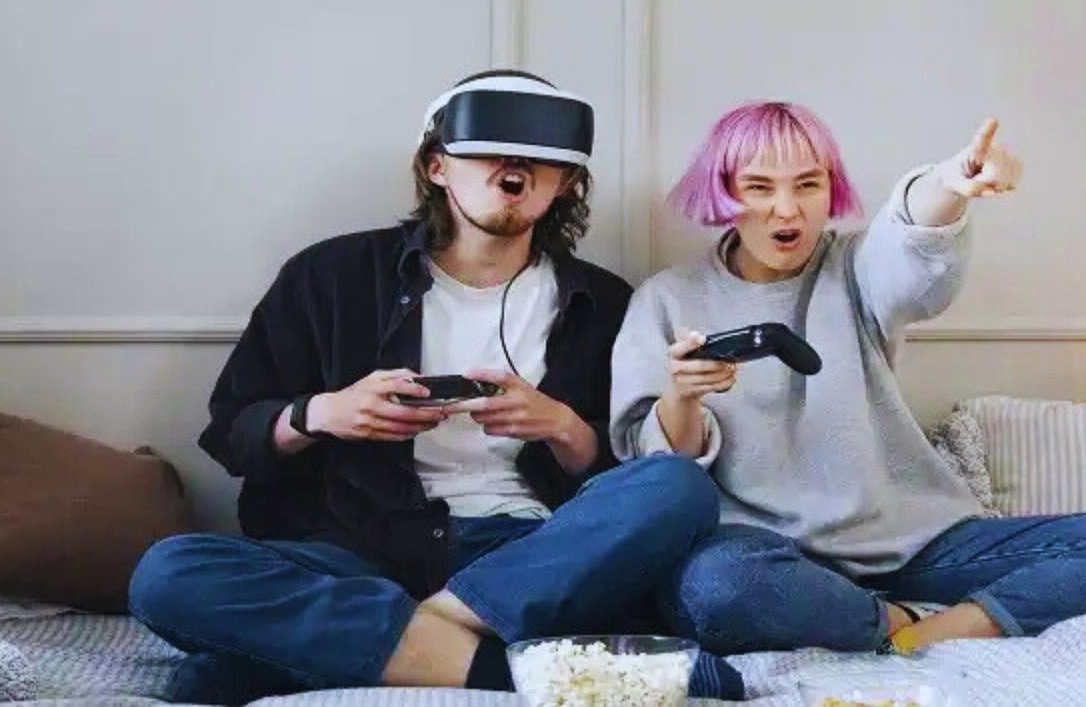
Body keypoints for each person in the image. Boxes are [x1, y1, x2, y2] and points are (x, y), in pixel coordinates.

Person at [129, 70, 736, 703]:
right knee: (168, 574)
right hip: (360, 552)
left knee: (678, 485)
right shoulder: (329, 275)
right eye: (489, 154)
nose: (513, 172)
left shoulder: (605, 302)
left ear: (567, 184)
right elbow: (232, 434)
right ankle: (512, 667)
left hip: (530, 555)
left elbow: (623, 477)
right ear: (437, 167)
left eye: (539, 161)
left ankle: (359, 647)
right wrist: (324, 413)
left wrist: (560, 426)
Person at [609, 100, 1086, 657]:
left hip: (913, 546)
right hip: (762, 552)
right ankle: (893, 625)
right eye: (759, 187)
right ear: (724, 193)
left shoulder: (856, 268)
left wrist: (952, 180)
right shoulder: (668, 298)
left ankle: (958, 624)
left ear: (828, 190)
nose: (787, 210)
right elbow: (655, 465)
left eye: (808, 185)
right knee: (714, 588)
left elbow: (910, 237)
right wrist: (682, 395)